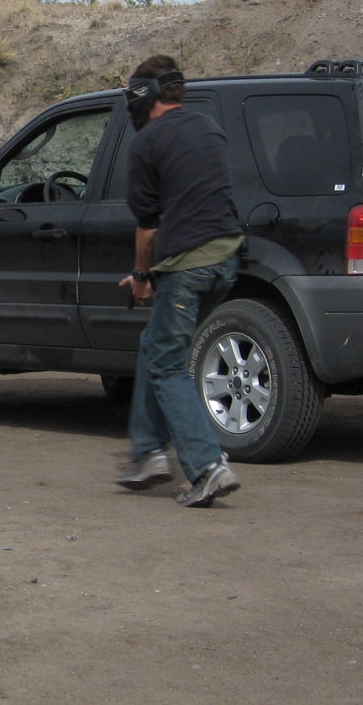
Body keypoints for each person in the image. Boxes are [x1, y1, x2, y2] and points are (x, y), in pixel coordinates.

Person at [114, 55, 243, 507]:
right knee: (157, 346)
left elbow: (148, 228)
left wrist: (140, 275)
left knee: (168, 365)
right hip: (227, 259)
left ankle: (208, 467)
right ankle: (148, 452)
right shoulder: (208, 127)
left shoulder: (148, 142)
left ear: (142, 96)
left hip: (188, 265)